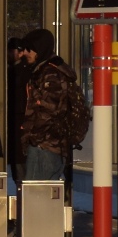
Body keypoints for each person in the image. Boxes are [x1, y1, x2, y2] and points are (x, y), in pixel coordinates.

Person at [20, 28, 89, 182]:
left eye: (29, 49)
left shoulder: (50, 74)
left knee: (35, 198)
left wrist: (33, 138)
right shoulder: (47, 71)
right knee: (44, 198)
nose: (24, 53)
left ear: (39, 49)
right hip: (52, 146)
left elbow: (48, 110)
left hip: (44, 147)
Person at [7, 35, 34, 181]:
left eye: (10, 51)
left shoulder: (23, 71)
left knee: (20, 166)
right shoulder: (18, 70)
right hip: (17, 122)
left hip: (20, 122)